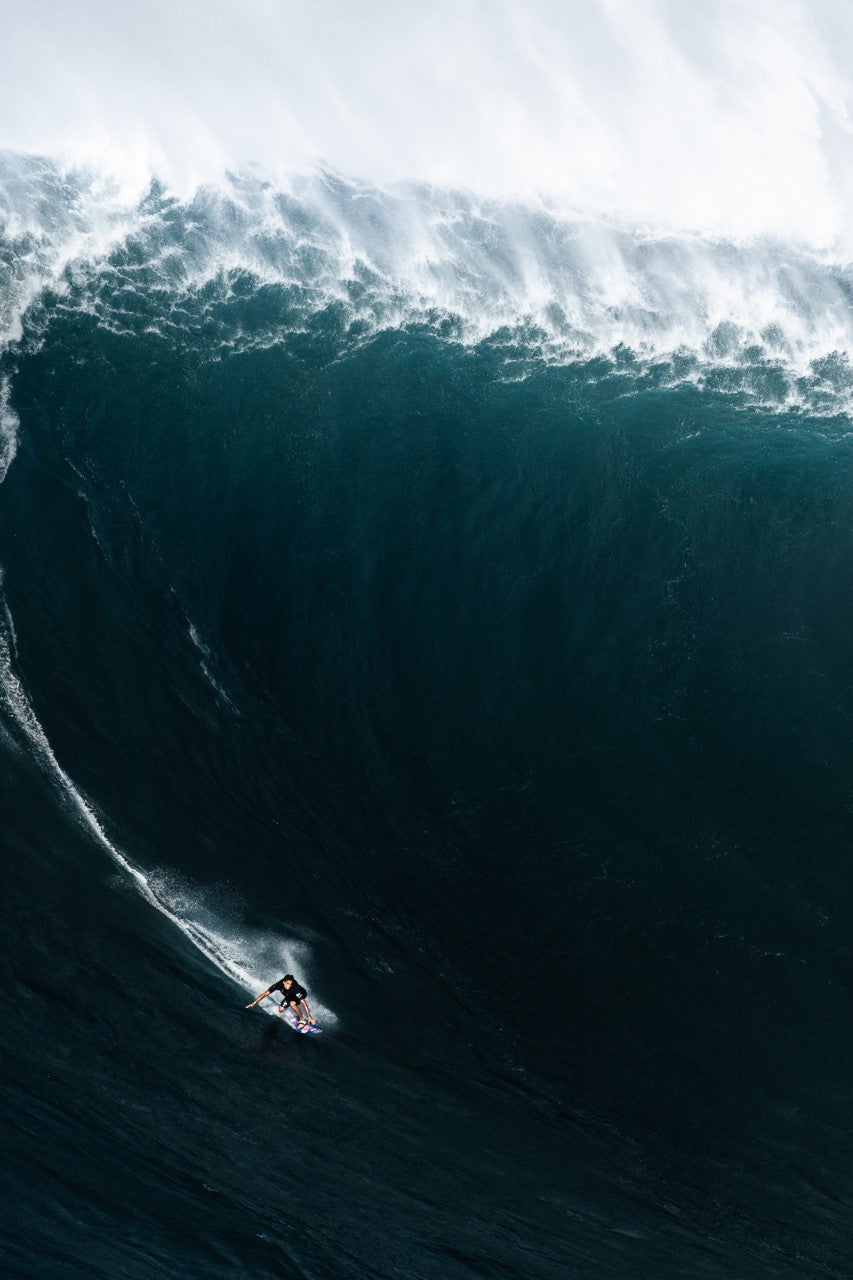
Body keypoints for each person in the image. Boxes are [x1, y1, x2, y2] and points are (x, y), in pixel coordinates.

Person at [246, 974, 315, 1026]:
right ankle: (296, 1011)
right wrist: (254, 1002)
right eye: (288, 984)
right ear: (283, 982)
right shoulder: (278, 985)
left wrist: (309, 1016)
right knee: (281, 1010)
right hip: (290, 995)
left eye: (291, 984)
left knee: (292, 1003)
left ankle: (302, 1019)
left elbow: (304, 1003)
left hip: (302, 993)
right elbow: (265, 993)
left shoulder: (295, 988)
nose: (289, 986)